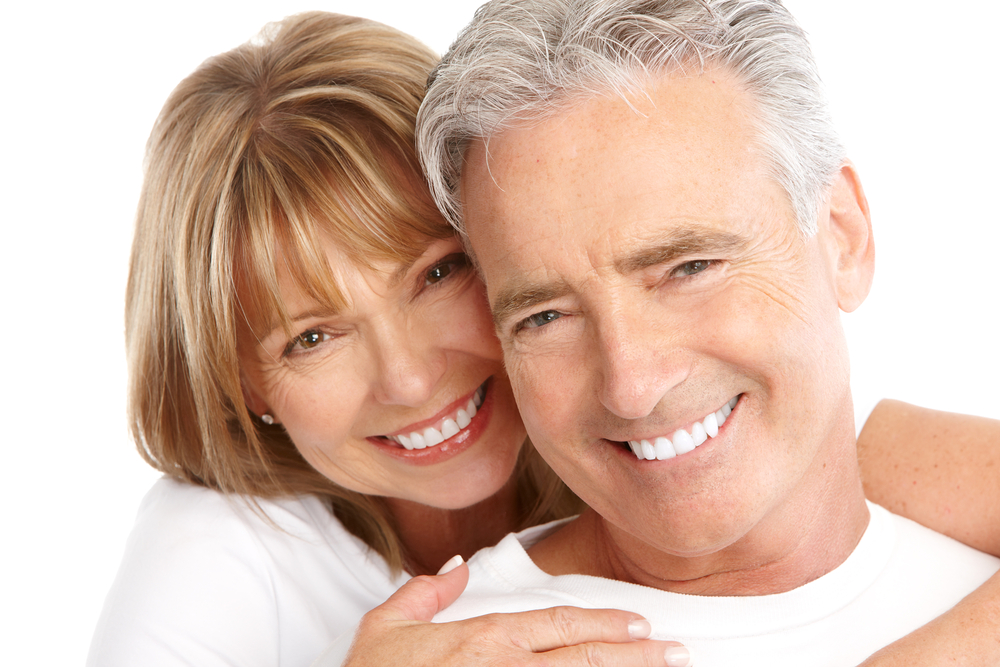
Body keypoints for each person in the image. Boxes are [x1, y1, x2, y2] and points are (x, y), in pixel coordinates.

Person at [90, 7, 1000, 667]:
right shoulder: (222, 561)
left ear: (840, 233)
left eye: (438, 274)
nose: (409, 379)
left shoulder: (892, 507)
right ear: (238, 384)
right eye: (311, 336)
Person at [415, 0, 1000, 664]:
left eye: (689, 268)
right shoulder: (447, 650)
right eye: (544, 316)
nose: (631, 385)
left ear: (842, 236)